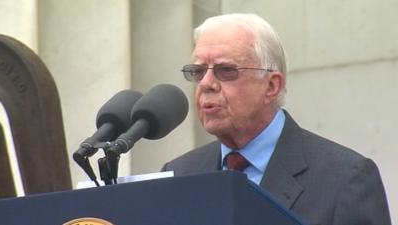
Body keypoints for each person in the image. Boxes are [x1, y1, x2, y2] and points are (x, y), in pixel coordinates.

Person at [162, 13, 391, 225]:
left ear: (271, 86)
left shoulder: (347, 180)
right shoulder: (180, 174)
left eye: (226, 71)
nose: (206, 84)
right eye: (198, 72)